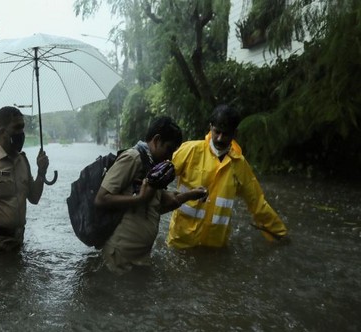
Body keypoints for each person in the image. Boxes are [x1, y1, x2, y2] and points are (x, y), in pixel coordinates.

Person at [94, 116, 207, 273]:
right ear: (157, 139)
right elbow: (101, 198)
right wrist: (140, 199)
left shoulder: (152, 167)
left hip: (139, 257)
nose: (170, 157)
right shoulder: (133, 158)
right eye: (169, 149)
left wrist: (190, 195)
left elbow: (162, 203)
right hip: (120, 256)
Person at [167, 104, 288, 249]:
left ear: (235, 133)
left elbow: (257, 204)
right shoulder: (191, 150)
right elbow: (159, 178)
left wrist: (280, 234)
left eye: (226, 134)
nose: (219, 138)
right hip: (181, 242)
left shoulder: (239, 165)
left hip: (215, 247)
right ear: (210, 127)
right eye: (217, 131)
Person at [0, 106, 50, 256]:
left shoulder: (23, 161)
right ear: (2, 132)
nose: (21, 134)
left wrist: (41, 171)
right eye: (16, 128)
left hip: (18, 243)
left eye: (22, 128)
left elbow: (34, 197)